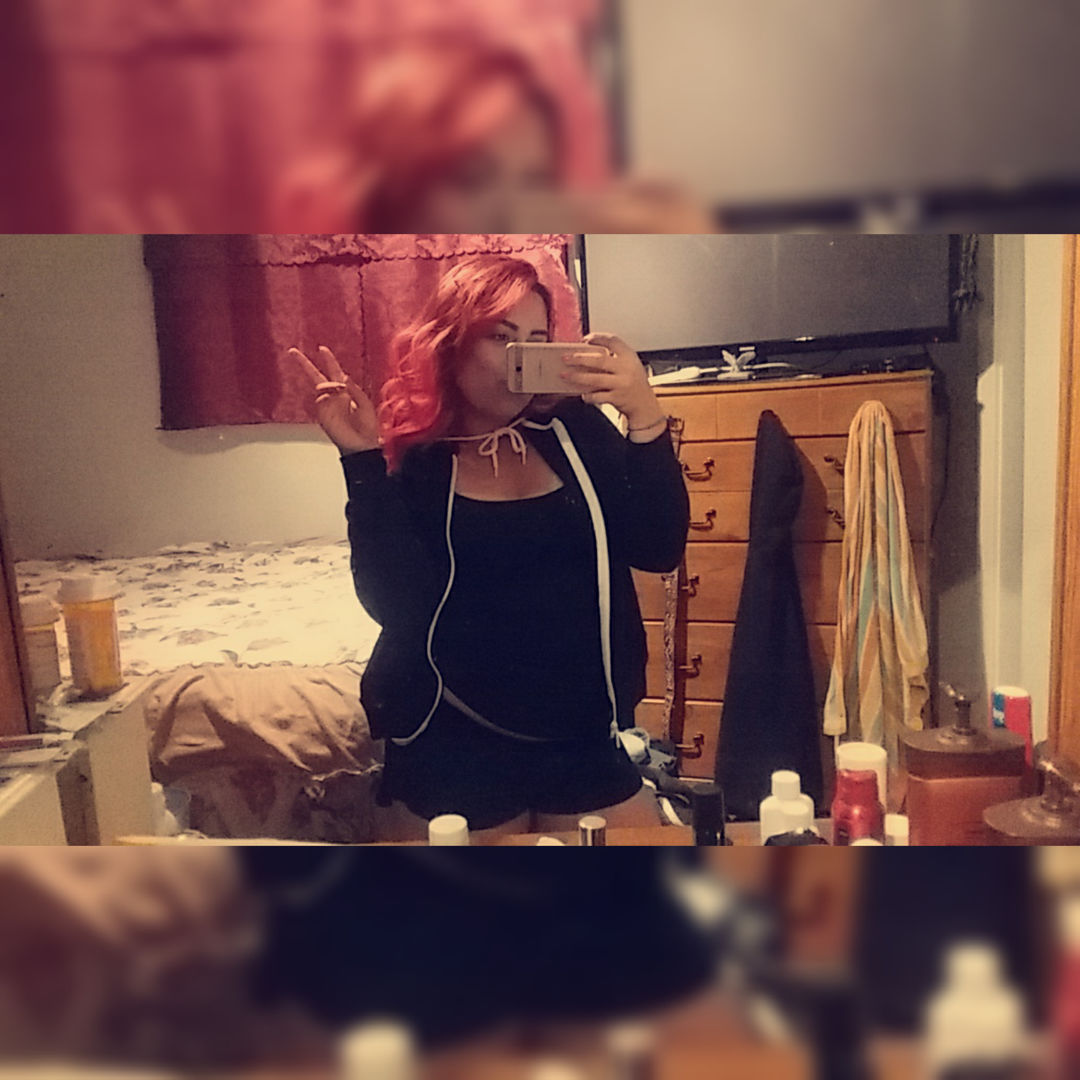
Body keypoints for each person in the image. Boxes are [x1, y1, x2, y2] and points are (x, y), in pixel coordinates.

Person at [290, 254, 689, 840]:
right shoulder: (422, 459)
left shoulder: (574, 431)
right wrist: (361, 461)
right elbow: (397, 605)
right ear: (451, 344)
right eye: (500, 338)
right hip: (453, 733)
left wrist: (645, 416)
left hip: (579, 733)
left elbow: (659, 546)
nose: (519, 358)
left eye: (535, 340)